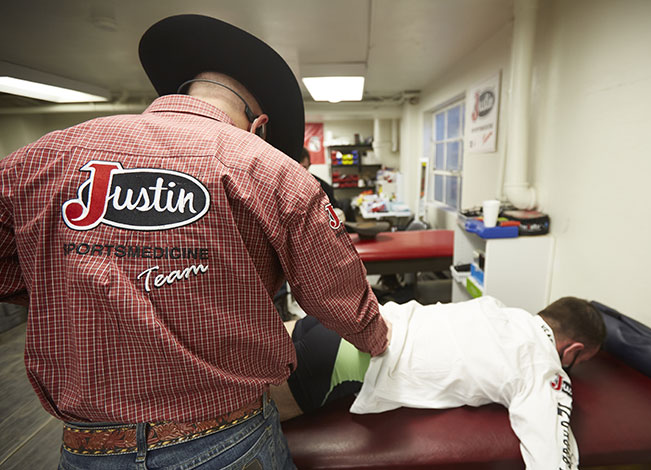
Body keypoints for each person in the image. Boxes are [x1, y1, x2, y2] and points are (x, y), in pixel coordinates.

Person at [0, 14, 390, 470]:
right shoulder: (273, 171)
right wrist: (382, 343)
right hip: (226, 439)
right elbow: (339, 298)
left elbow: (10, 277)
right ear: (259, 125)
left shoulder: (37, 159)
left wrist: (80, 283)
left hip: (88, 447)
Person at [270, 295, 606, 470]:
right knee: (224, 424)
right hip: (347, 361)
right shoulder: (544, 366)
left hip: (337, 321)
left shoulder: (504, 310)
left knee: (219, 373)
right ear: (573, 349)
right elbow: (552, 454)